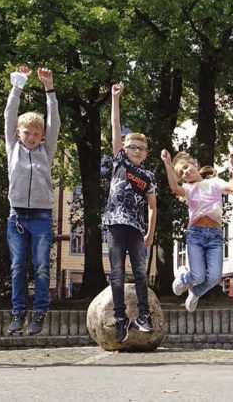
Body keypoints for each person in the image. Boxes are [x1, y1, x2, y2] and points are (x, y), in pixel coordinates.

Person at [3, 66, 60, 335]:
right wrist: (18, 85)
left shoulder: (45, 151)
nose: (32, 137)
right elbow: (9, 115)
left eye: (36, 133)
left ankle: (39, 313)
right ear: (19, 132)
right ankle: (17, 313)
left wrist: (49, 88)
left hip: (41, 216)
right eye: (27, 132)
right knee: (16, 267)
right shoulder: (12, 147)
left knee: (40, 267)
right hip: (16, 215)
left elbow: (55, 123)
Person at [103, 84, 157, 343]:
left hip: (136, 227)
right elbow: (115, 127)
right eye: (132, 147)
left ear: (146, 154)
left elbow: (152, 206)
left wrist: (150, 233)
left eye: (140, 148)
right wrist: (116, 99)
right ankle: (120, 317)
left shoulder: (148, 176)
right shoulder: (118, 163)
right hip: (114, 222)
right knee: (116, 271)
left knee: (139, 272)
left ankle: (144, 316)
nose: (135, 151)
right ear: (124, 149)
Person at [161, 150, 233, 311]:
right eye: (181, 173)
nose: (185, 172)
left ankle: (195, 292)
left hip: (215, 236)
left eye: (186, 167)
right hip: (195, 234)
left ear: (194, 165)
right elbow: (174, 187)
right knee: (198, 275)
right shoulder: (188, 189)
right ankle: (183, 276)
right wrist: (168, 164)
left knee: (214, 277)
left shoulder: (215, 183)